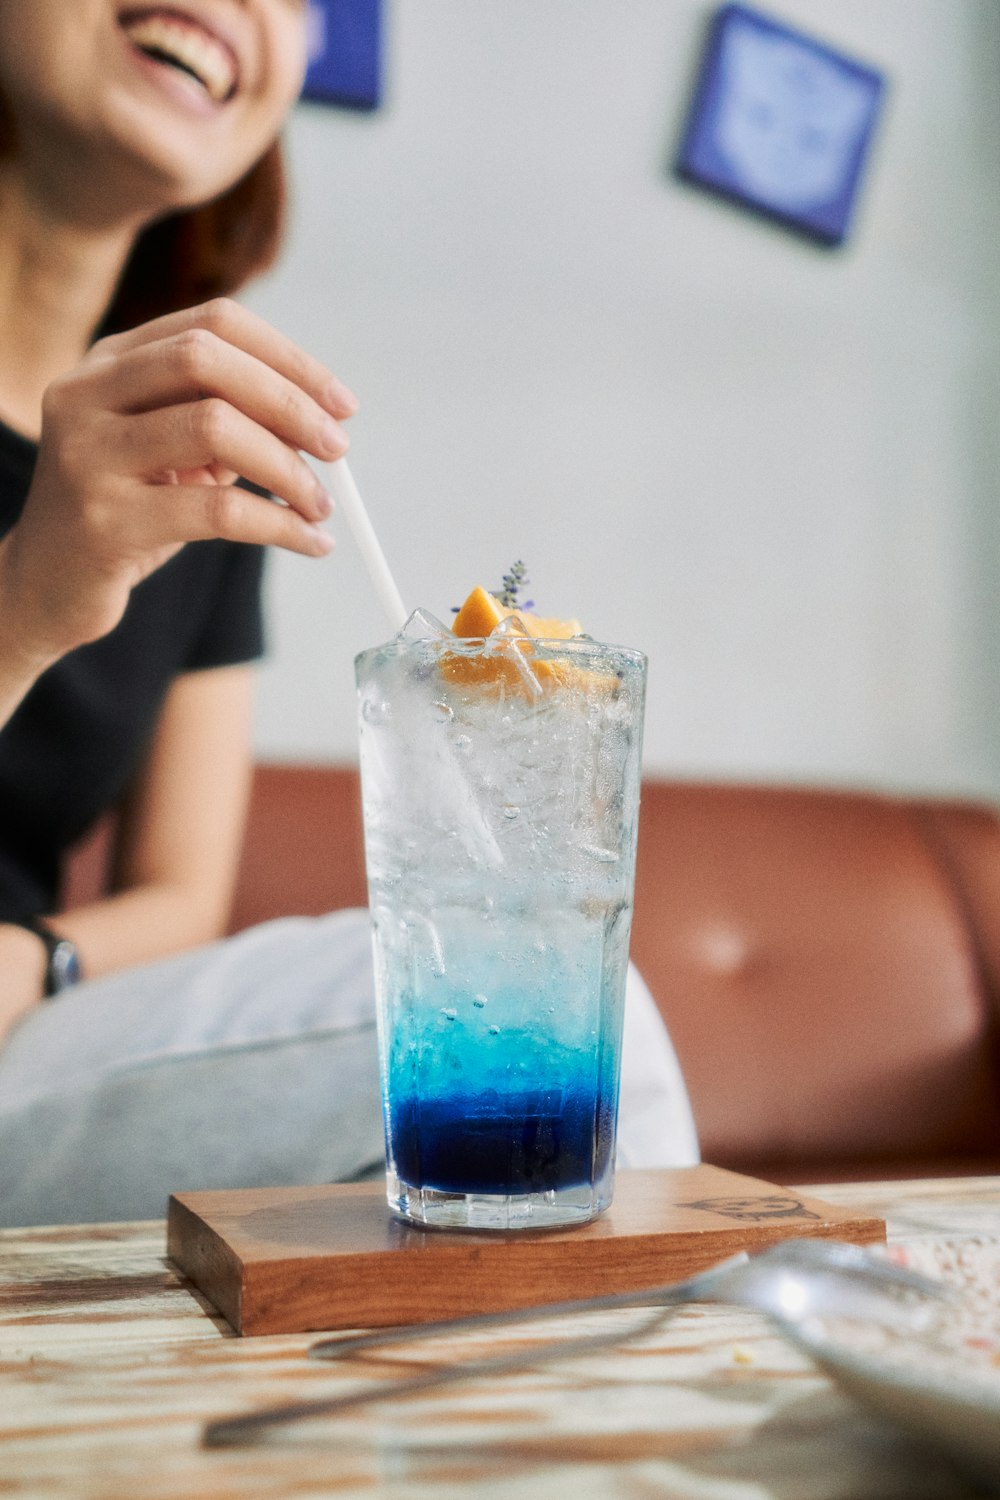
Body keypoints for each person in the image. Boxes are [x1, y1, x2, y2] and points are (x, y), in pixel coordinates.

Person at [0, 1, 698, 1227]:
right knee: (583, 1040)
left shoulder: (194, 460)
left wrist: (39, 956)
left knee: (551, 1052)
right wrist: (27, 602)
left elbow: (180, 897)